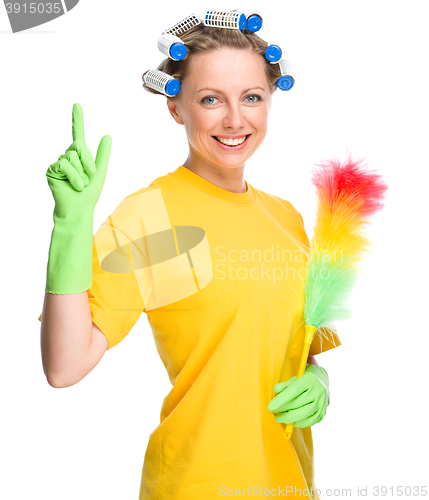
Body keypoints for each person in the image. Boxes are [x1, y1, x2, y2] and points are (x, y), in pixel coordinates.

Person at [39, 14, 341, 500]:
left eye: (252, 97)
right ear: (176, 107)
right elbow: (65, 365)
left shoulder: (287, 220)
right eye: (210, 100)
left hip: (290, 484)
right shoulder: (153, 217)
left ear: (269, 101)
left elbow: (296, 349)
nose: (235, 119)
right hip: (193, 483)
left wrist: (319, 378)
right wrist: (70, 228)